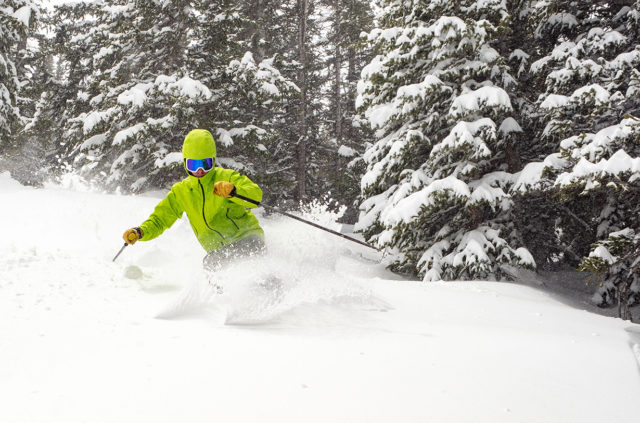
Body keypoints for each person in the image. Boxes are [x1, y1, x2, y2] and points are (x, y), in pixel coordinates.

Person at [122, 129, 265, 270]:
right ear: (185, 163)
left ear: (213, 160)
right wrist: (141, 232)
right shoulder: (182, 191)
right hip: (219, 251)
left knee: (215, 264)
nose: (200, 170)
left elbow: (255, 196)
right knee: (215, 268)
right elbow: (161, 219)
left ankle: (272, 287)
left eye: (205, 164)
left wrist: (234, 191)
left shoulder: (226, 178)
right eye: (193, 165)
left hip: (247, 237)